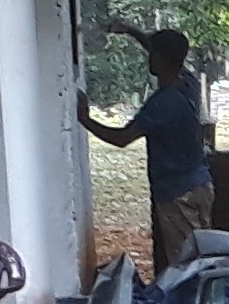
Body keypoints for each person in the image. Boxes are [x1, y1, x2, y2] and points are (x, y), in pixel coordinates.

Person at [82, 26, 213, 272]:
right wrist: (131, 31)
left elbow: (122, 138)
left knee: (186, 266)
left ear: (159, 58)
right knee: (200, 255)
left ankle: (189, 298)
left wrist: (85, 119)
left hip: (177, 194)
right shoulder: (189, 85)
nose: (148, 59)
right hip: (200, 184)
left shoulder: (162, 104)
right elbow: (162, 51)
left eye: (152, 54)